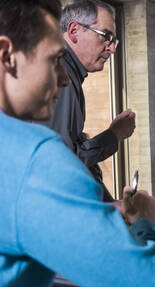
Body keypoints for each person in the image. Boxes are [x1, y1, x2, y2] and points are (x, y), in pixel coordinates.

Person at [0, 1, 155, 287]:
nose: (64, 80)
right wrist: (146, 222)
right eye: (55, 60)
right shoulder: (35, 161)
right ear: (6, 56)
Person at [36, 0, 135, 202]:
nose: (112, 49)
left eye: (113, 40)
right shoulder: (62, 76)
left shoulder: (71, 75)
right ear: (73, 31)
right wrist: (114, 135)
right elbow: (62, 164)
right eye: (106, 36)